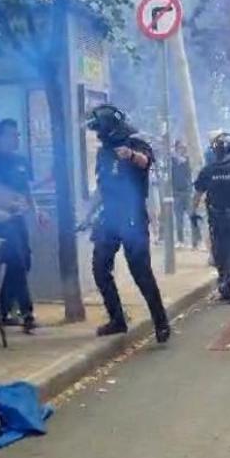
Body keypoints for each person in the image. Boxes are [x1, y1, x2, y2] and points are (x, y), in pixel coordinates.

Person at [80, 104, 170, 343]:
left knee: (141, 273)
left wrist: (130, 155)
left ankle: (161, 323)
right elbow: (102, 188)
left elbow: (145, 162)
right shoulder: (104, 152)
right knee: (100, 269)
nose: (97, 133)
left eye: (99, 128)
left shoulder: (136, 144)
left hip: (132, 217)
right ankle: (117, 319)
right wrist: (87, 216)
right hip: (109, 216)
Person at [0, 118, 47, 333]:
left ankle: (2, 309)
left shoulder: (21, 162)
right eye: (11, 135)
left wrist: (37, 211)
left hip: (16, 220)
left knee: (23, 262)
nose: (15, 139)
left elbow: (27, 191)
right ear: (0, 138)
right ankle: (27, 314)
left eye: (17, 135)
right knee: (16, 261)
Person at [192, 132, 230, 304]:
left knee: (220, 249)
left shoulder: (208, 170)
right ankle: (227, 282)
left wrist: (192, 212)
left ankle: (223, 282)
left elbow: (198, 193)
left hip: (215, 216)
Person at [171, 139, 197, 248]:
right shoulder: (171, 161)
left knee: (192, 216)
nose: (183, 149)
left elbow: (190, 175)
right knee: (179, 219)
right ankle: (180, 240)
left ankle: (195, 241)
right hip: (176, 192)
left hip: (187, 192)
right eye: (180, 147)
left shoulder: (187, 161)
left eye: (184, 148)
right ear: (176, 148)